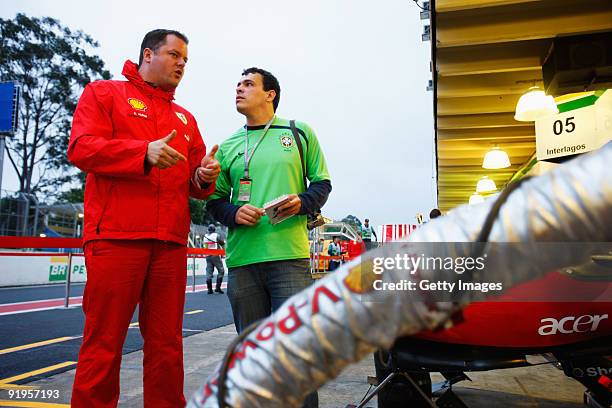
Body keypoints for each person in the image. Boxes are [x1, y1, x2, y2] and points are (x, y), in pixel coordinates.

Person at [67, 29, 220, 408]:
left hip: (169, 243)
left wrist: (204, 177)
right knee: (103, 344)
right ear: (147, 55)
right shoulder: (104, 93)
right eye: (175, 55)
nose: (182, 64)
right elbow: (81, 147)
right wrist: (142, 153)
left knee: (168, 346)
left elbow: (196, 179)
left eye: (186, 59)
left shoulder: (185, 118)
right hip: (116, 238)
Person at [206, 67, 331, 408]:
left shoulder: (299, 132)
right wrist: (234, 213)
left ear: (270, 94)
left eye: (248, 84)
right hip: (243, 261)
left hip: (289, 259)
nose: (239, 88)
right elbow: (214, 202)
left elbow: (321, 184)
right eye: (237, 83)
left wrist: (301, 202)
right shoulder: (228, 144)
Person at [203, 224, 225, 294]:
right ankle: (217, 288)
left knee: (209, 272)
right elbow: (222, 243)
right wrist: (224, 251)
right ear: (214, 229)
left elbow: (205, 247)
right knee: (221, 270)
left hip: (207, 256)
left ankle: (209, 289)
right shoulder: (216, 235)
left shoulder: (205, 237)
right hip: (215, 255)